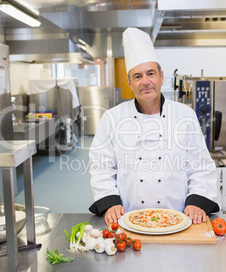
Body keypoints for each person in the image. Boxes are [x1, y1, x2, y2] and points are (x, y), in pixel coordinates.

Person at [89, 27, 219, 226]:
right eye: (138, 76)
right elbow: (101, 166)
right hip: (127, 218)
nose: (145, 82)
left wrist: (197, 202)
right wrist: (110, 203)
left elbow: (200, 165)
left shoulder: (184, 115)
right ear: (129, 83)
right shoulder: (112, 118)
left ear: (161, 76)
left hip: (178, 218)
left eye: (150, 73)